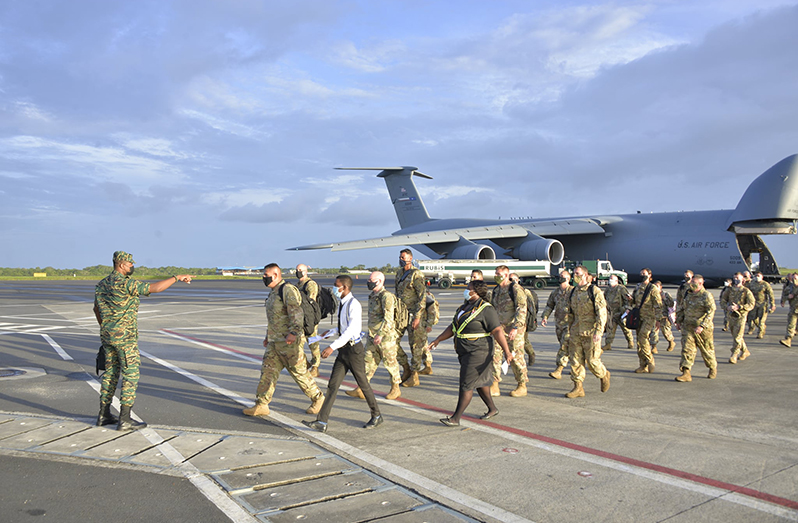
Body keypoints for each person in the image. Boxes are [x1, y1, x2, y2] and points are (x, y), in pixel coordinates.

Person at [93, 251, 194, 431]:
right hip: (125, 338)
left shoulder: (102, 284)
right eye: (130, 264)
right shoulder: (125, 283)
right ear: (122, 265)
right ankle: (125, 418)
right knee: (130, 374)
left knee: (110, 374)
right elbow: (154, 288)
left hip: (108, 336)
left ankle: (103, 414)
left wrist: (107, 327)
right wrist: (176, 277)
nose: (132, 266)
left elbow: (96, 309)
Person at [426, 280, 512, 426]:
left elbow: (497, 330)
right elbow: (454, 327)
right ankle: (492, 408)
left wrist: (507, 351)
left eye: (469, 289)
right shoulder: (464, 306)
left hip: (479, 351)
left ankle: (455, 418)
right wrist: (438, 339)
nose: (466, 291)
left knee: (466, 383)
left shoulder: (486, 309)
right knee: (480, 382)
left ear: (476, 292)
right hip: (464, 350)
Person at [243, 263, 324, 418]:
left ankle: (318, 398)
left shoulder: (287, 290)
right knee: (267, 372)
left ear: (276, 275)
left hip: (289, 342)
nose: (264, 278)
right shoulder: (274, 293)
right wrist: (268, 336)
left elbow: (296, 313)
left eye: (266, 275)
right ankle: (262, 404)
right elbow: (274, 318)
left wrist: (294, 333)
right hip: (275, 342)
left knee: (299, 373)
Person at [303, 275, 383, 432]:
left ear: (344, 287)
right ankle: (322, 421)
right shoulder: (343, 303)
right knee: (333, 385)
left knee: (363, 383)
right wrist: (330, 332)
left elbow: (352, 331)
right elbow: (343, 329)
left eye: (336, 285)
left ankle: (377, 415)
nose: (334, 288)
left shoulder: (354, 305)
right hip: (344, 350)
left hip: (354, 350)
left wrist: (331, 347)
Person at [349, 271, 402, 401]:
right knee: (368, 362)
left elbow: (388, 318)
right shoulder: (373, 295)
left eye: (371, 279)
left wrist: (381, 334)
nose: (369, 282)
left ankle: (395, 388)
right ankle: (361, 388)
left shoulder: (386, 297)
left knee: (390, 362)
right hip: (373, 336)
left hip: (385, 337)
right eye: (368, 279)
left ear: (380, 281)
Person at [564, 266, 610, 398]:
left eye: (577, 274)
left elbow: (602, 313)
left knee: (592, 361)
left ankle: (604, 374)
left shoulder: (594, 291)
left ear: (585, 275)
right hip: (576, 331)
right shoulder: (573, 292)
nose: (575, 276)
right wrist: (569, 329)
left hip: (591, 332)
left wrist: (598, 332)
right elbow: (571, 313)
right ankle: (578, 388)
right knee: (575, 360)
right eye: (574, 274)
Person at [490, 265, 528, 397]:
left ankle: (522, 385)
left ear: (507, 275)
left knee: (516, 357)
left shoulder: (515, 289)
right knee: (495, 355)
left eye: (499, 274)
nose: (496, 275)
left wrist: (516, 327)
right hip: (498, 329)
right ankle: (495, 384)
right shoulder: (496, 291)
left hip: (513, 329)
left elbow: (522, 308)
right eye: (496, 273)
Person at [674, 274, 717, 382]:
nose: (691, 284)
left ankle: (712, 367)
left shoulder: (706, 295)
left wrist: (702, 325)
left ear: (700, 284)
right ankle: (686, 372)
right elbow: (682, 307)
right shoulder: (687, 294)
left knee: (706, 350)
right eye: (691, 282)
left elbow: (710, 312)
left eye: (694, 283)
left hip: (702, 329)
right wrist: (678, 320)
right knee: (687, 349)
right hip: (688, 326)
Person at [395, 249, 428, 387]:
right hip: (401, 314)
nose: (401, 259)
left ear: (410, 258)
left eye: (403, 257)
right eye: (400, 257)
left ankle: (414, 375)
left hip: (414, 314)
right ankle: (405, 367)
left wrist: (418, 317)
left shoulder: (416, 274)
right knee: (392, 340)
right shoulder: (399, 273)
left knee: (415, 345)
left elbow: (422, 296)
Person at [542, 269, 573, 380]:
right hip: (559, 324)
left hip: (570, 324)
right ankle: (577, 366)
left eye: (563, 276)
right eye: (560, 275)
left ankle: (559, 369)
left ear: (568, 279)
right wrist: (545, 316)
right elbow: (550, 305)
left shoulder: (573, 292)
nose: (560, 277)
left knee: (565, 346)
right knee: (566, 346)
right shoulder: (555, 292)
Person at [721, 272, 755, 364]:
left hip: (741, 315)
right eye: (734, 278)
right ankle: (745, 350)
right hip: (731, 315)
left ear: (742, 280)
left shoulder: (746, 291)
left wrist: (740, 307)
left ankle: (734, 355)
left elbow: (751, 304)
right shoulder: (729, 290)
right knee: (736, 335)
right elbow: (723, 300)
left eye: (738, 278)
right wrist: (726, 307)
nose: (736, 279)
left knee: (738, 336)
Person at [296, 263, 321, 377]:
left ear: (306, 271)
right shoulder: (298, 285)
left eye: (300, 270)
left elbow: (311, 302)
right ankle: (306, 363)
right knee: (298, 343)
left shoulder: (310, 284)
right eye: (297, 270)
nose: (298, 272)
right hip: (300, 317)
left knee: (313, 343)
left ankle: (315, 367)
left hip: (309, 318)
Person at [510, 272, 537, 366]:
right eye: (510, 279)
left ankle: (530, 354)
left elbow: (532, 308)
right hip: (510, 321)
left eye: (514, 280)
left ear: (518, 280)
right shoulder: (505, 292)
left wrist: (531, 320)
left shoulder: (524, 292)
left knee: (523, 340)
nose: (512, 282)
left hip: (522, 321)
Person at [602, 274, 634, 352]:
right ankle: (608, 344)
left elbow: (628, 300)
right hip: (612, 313)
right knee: (610, 329)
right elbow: (604, 299)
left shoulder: (621, 289)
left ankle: (630, 341)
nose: (610, 280)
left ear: (616, 281)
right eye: (610, 279)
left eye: (612, 279)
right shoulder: (608, 289)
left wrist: (627, 309)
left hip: (621, 312)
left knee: (625, 328)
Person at [746, 272, 775, 338]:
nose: (757, 277)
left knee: (761, 320)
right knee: (752, 318)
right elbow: (746, 291)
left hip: (762, 304)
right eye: (756, 276)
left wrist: (772, 304)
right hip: (753, 304)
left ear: (762, 277)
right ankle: (760, 327)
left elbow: (771, 295)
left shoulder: (765, 284)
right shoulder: (751, 283)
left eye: (758, 276)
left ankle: (760, 333)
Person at [649, 280, 676, 352]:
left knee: (666, 332)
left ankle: (671, 341)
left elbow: (671, 304)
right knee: (653, 332)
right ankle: (654, 347)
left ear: (661, 287)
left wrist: (664, 298)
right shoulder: (651, 294)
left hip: (664, 316)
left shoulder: (666, 294)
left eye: (657, 286)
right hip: (655, 316)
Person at [419, 289, 440, 374]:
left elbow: (432, 312)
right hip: (420, 323)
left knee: (422, 344)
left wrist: (429, 325)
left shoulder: (426, 296)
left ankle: (427, 365)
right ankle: (427, 365)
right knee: (423, 343)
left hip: (423, 323)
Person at [779, 273, 798, 347]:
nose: (794, 280)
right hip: (793, 309)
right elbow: (784, 295)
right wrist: (786, 299)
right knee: (791, 325)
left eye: (796, 279)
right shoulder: (790, 288)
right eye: (793, 279)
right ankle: (788, 340)